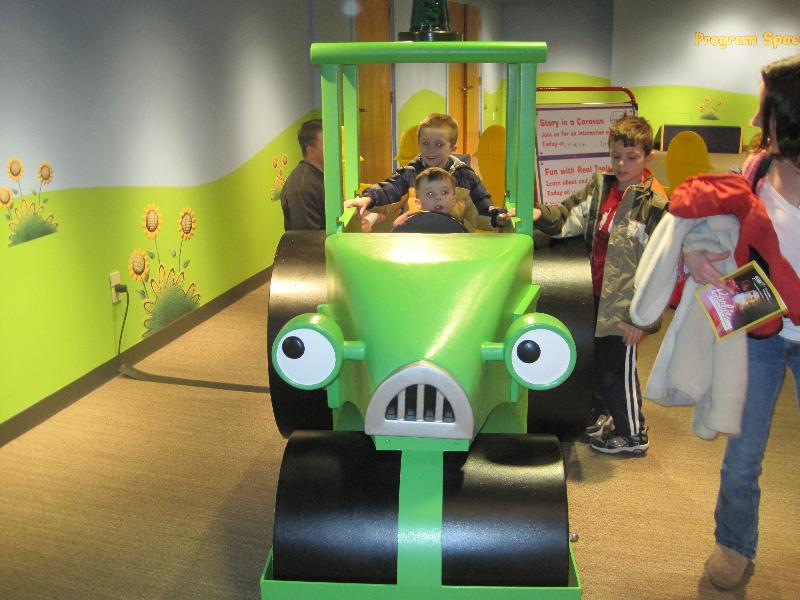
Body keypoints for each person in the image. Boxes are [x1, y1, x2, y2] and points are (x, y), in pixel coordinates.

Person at [681, 54, 800, 591]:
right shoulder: (752, 172)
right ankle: (733, 543)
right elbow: (706, 228)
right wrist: (695, 255)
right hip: (759, 330)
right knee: (743, 452)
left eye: (764, 109)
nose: (754, 120)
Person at [533, 115, 669, 454]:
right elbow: (569, 217)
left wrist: (642, 319)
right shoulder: (601, 187)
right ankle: (602, 415)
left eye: (631, 157)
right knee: (596, 363)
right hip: (594, 294)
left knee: (618, 370)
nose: (621, 164)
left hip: (626, 308)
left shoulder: (655, 204)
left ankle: (633, 434)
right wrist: (538, 215)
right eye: (615, 156)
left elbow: (661, 269)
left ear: (648, 157)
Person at [344, 113, 507, 229]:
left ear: (452, 148)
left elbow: (482, 206)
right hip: (419, 240)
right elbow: (390, 187)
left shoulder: (465, 176)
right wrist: (368, 198)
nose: (431, 150)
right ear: (419, 144)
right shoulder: (411, 172)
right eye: (426, 143)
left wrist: (496, 217)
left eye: (439, 145)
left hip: (455, 242)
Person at [392, 167, 476, 231]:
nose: (438, 197)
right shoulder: (412, 221)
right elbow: (398, 231)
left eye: (444, 192)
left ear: (454, 201)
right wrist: (404, 219)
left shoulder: (458, 226)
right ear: (418, 203)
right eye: (430, 194)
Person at [280, 119, 325, 230]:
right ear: (311, 151)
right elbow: (308, 238)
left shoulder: (321, 176)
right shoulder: (302, 187)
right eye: (327, 143)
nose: (335, 147)